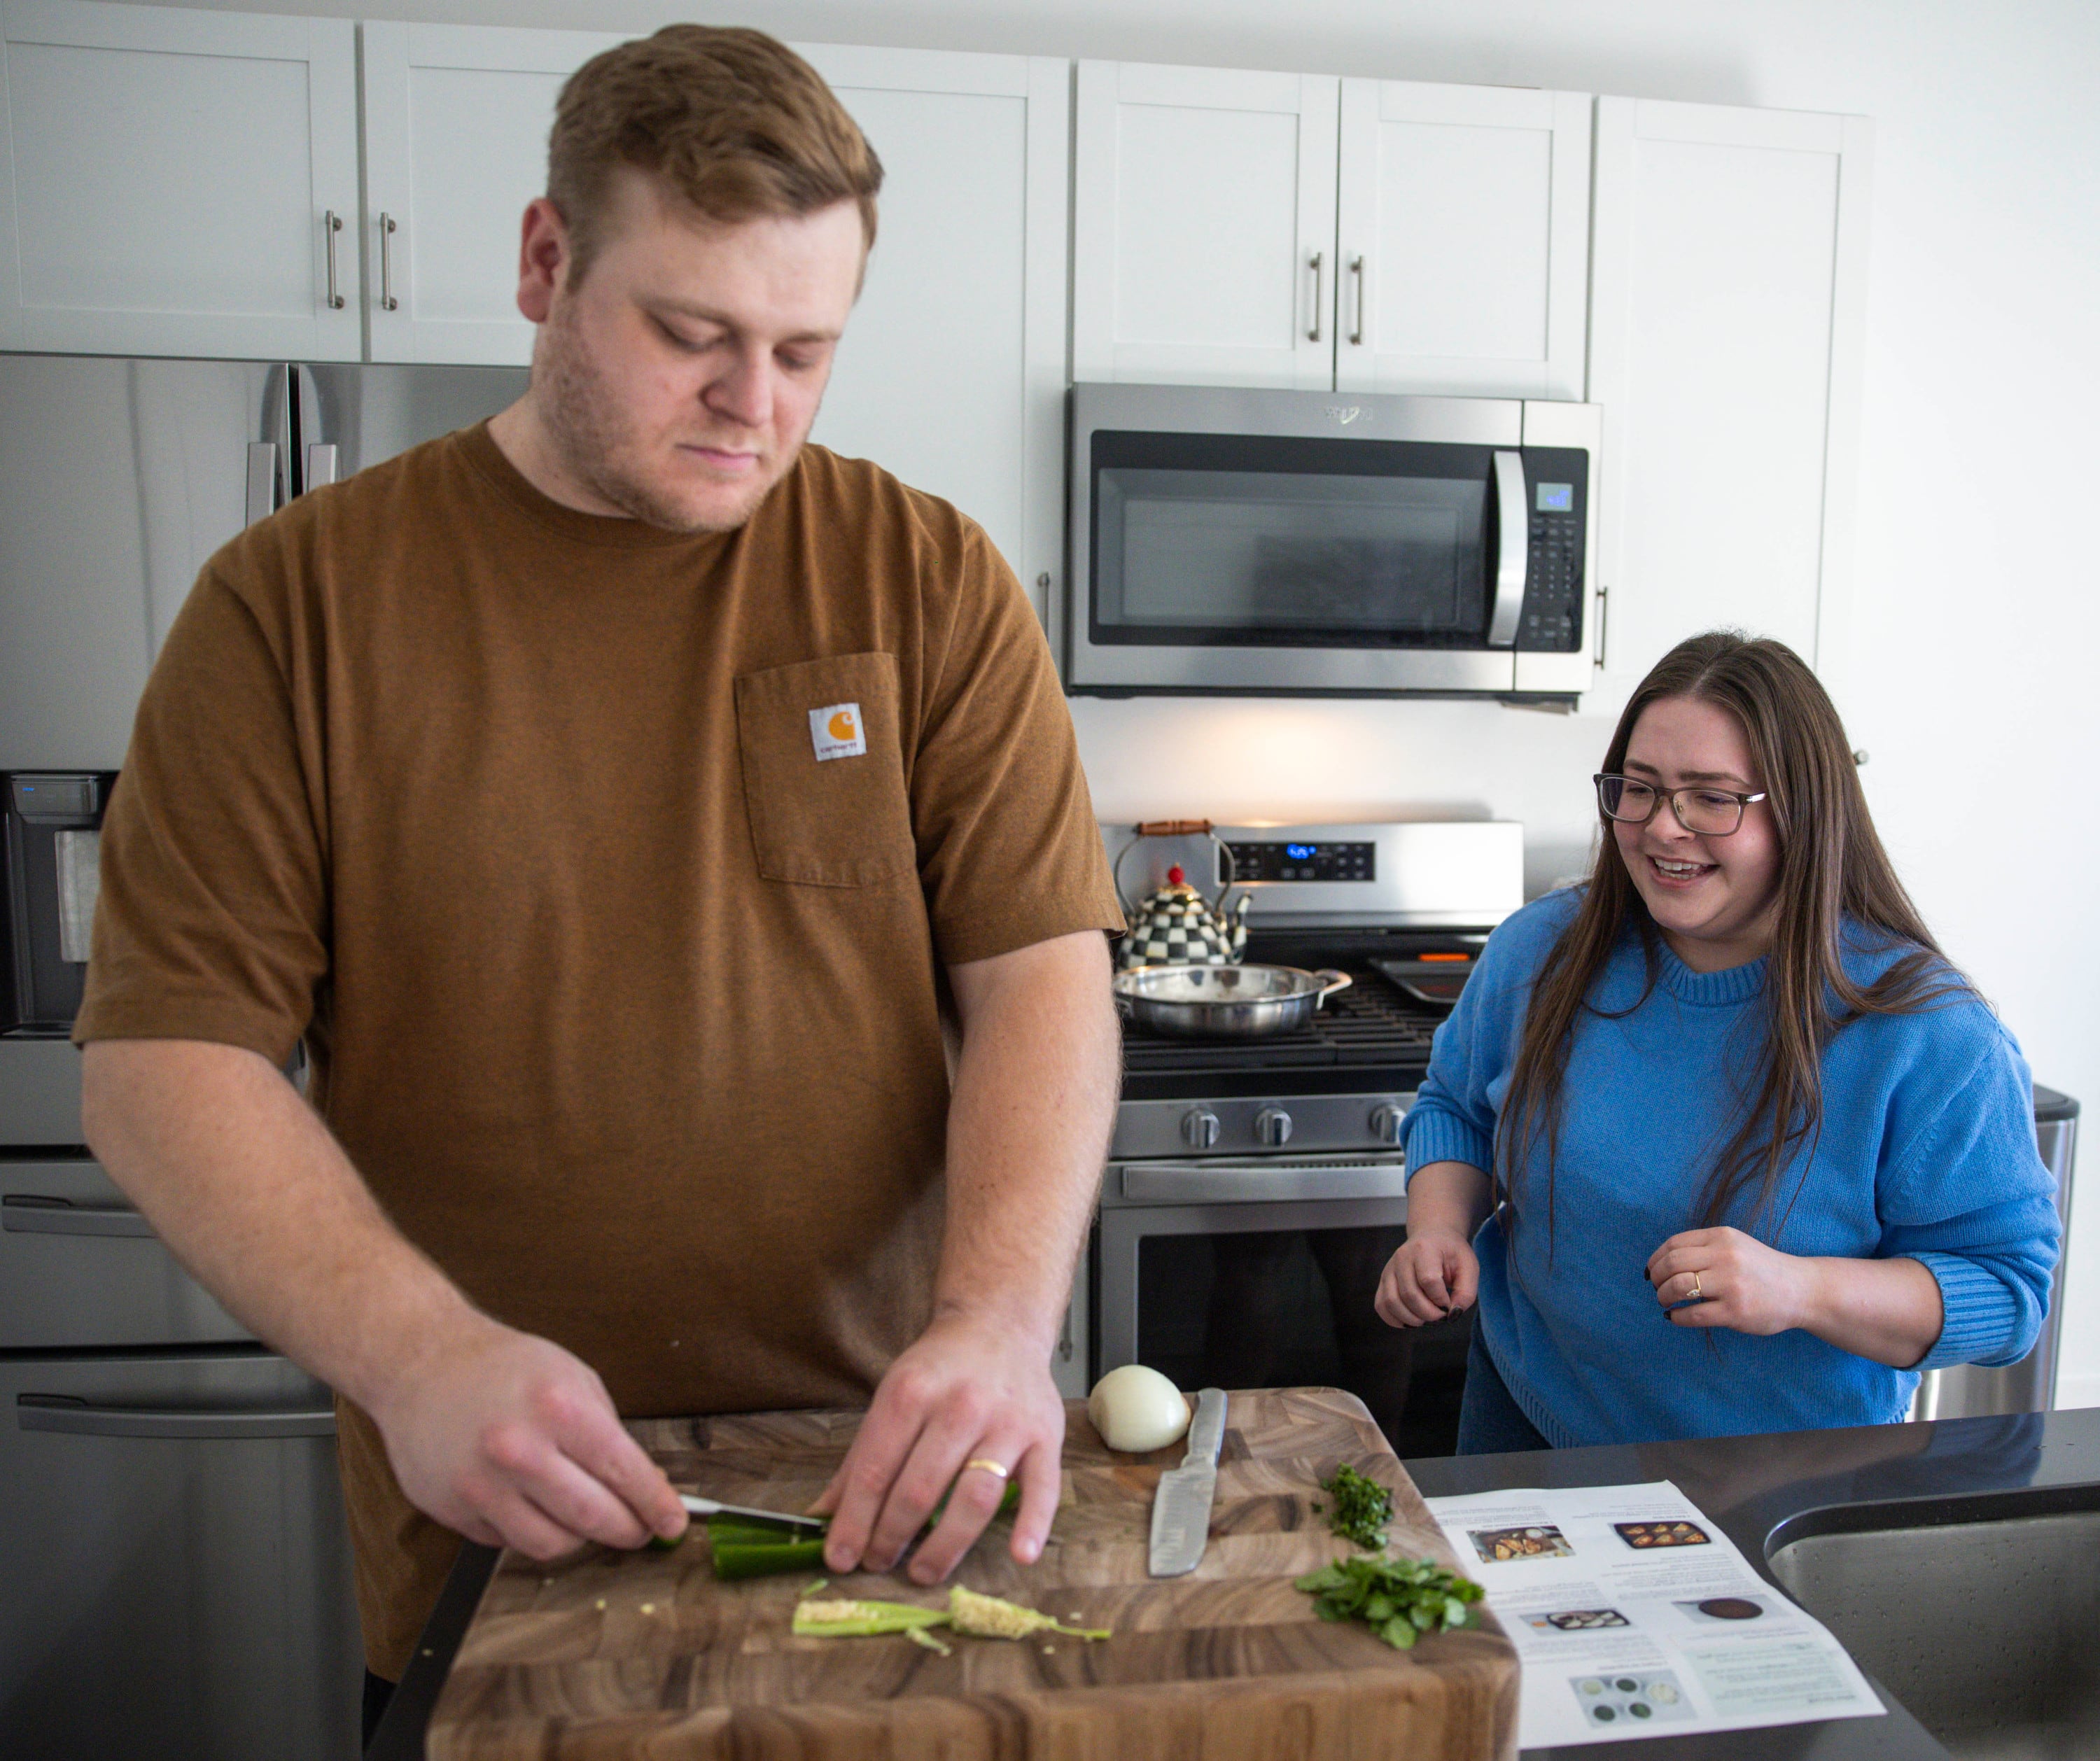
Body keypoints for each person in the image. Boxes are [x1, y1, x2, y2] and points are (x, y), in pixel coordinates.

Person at [71, 24, 1124, 1732]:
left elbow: (1039, 976)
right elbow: (163, 1062)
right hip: (492, 1535)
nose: (753, 405)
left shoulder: (924, 575)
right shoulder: (294, 606)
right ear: (545, 262)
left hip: (890, 1502)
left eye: (804, 349)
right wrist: (420, 1358)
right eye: (692, 334)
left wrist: (1002, 1319)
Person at [1374, 631, 2059, 1451]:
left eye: (1712, 797)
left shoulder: (1929, 1035)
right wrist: (1439, 1227)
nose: (1664, 828)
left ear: (1802, 809)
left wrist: (1802, 1289)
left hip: (1780, 1469)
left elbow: (2008, 1292)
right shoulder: (1541, 949)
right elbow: (1458, 1103)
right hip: (1529, 1414)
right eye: (1641, 788)